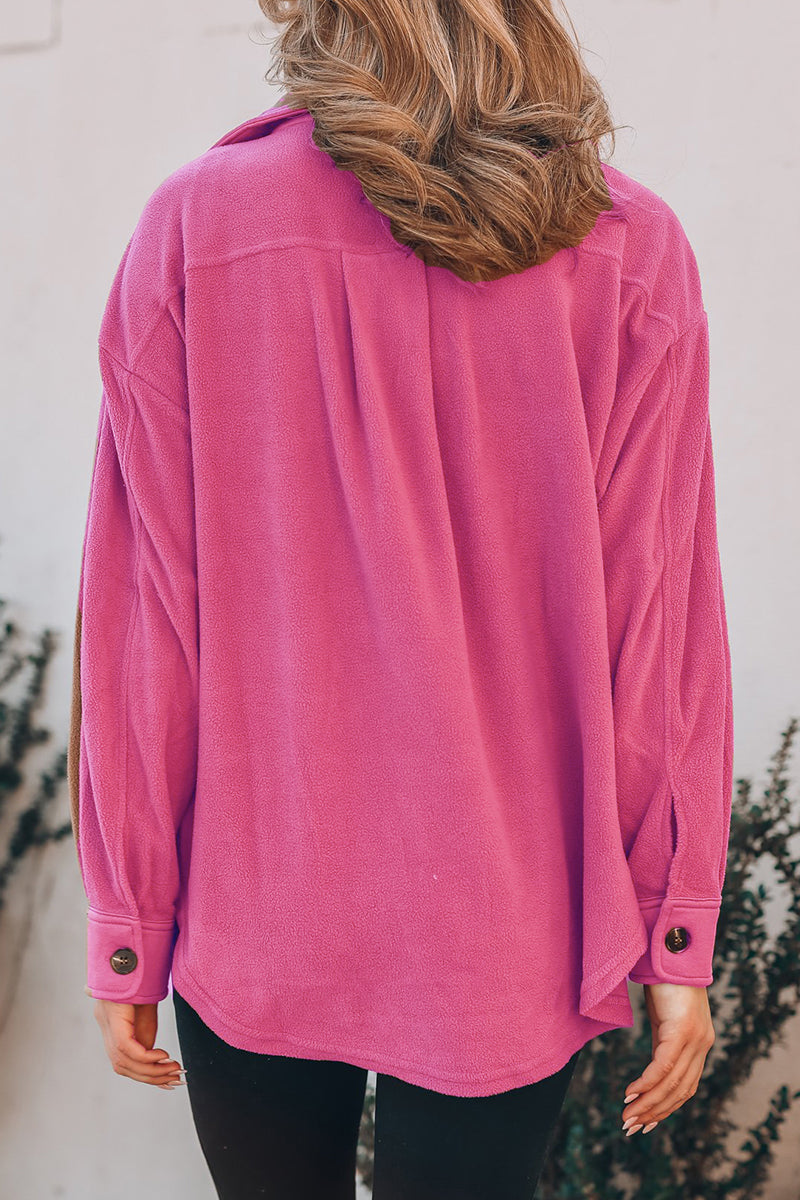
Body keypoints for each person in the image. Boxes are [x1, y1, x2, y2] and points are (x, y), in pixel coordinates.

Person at [67, 0, 733, 1195]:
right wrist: (670, 922)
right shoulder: (627, 247)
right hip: (508, 922)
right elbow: (658, 625)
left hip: (261, 900)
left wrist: (131, 917)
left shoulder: (195, 227)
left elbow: (146, 618)